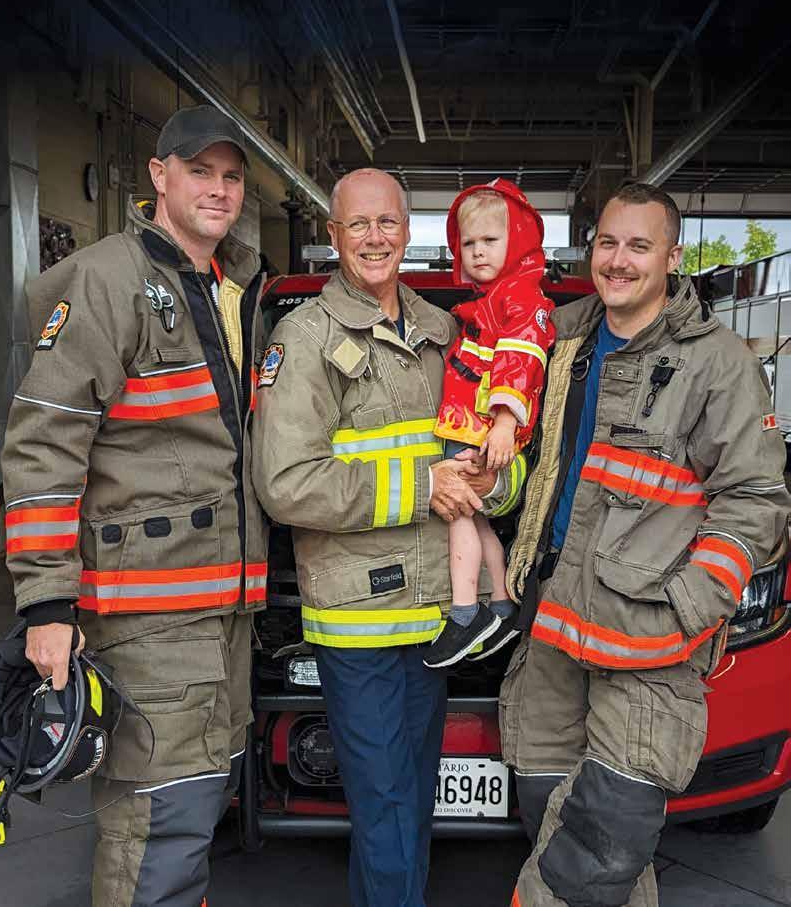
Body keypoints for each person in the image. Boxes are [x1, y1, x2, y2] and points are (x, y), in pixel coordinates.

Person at [1, 104, 268, 907]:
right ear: (159, 175)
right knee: (157, 827)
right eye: (200, 171)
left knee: (194, 808)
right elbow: (44, 444)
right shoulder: (109, 278)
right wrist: (48, 603)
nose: (218, 189)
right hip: (148, 616)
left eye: (232, 176)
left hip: (221, 612)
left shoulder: (230, 286)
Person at [499, 183, 790, 907]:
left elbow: (757, 499)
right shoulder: (563, 340)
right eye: (607, 242)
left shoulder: (716, 362)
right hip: (553, 633)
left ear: (672, 257)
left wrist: (691, 604)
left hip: (647, 646)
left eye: (639, 245)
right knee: (560, 825)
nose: (618, 260)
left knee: (599, 847)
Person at [251, 167, 525, 907]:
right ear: (333, 235)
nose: (375, 238)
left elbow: (500, 449)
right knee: (387, 808)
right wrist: (423, 488)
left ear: (409, 232)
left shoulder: (446, 330)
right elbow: (285, 483)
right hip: (358, 623)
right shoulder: (305, 337)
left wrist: (492, 481)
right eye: (358, 224)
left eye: (388, 223)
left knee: (407, 808)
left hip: (434, 620)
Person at [423, 180, 555, 668]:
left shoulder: (519, 298)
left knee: (458, 512)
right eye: (469, 243)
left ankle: (464, 614)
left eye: (490, 240)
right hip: (470, 423)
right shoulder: (496, 296)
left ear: (516, 241)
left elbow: (521, 360)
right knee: (476, 518)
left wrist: (503, 423)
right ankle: (500, 605)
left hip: (477, 427)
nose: (477, 252)